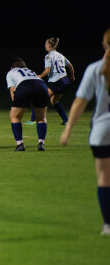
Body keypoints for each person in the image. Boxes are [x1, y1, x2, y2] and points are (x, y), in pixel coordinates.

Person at [60, 28, 110, 236]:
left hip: (102, 132)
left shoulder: (96, 69)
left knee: (105, 179)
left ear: (104, 45)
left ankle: (108, 225)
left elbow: (80, 101)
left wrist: (68, 130)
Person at [27, 38, 75, 125]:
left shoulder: (48, 56)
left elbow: (47, 71)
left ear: (49, 45)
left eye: (46, 44)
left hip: (57, 82)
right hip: (65, 81)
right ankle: (66, 120)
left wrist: (39, 76)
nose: (45, 45)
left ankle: (33, 120)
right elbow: (70, 66)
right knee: (53, 101)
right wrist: (72, 76)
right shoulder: (60, 55)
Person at [6, 58, 50, 151]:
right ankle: (41, 143)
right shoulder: (30, 71)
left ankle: (20, 144)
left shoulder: (11, 72)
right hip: (41, 86)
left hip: (24, 86)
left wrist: (14, 106)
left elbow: (12, 90)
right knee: (41, 118)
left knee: (15, 117)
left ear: (12, 67)